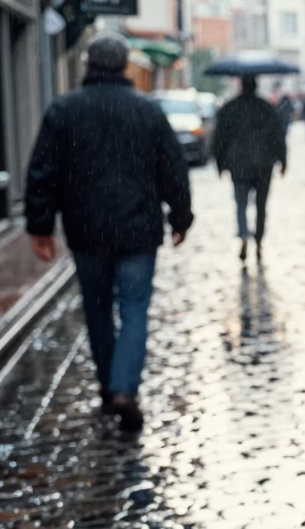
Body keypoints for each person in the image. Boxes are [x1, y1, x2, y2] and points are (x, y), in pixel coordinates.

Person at [24, 31, 192, 433]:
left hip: (86, 230)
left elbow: (42, 172)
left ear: (88, 64)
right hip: (138, 229)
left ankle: (108, 387)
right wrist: (181, 217)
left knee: (98, 311)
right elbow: (173, 168)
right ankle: (123, 389)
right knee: (134, 310)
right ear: (123, 66)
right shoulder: (146, 111)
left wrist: (40, 226)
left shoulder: (65, 110)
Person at [214, 76, 287, 261]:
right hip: (263, 163)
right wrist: (283, 159)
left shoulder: (229, 108)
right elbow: (278, 135)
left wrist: (220, 162)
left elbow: (220, 137)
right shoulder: (266, 108)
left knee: (241, 203)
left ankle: (244, 234)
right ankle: (259, 239)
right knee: (261, 205)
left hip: (239, 164)